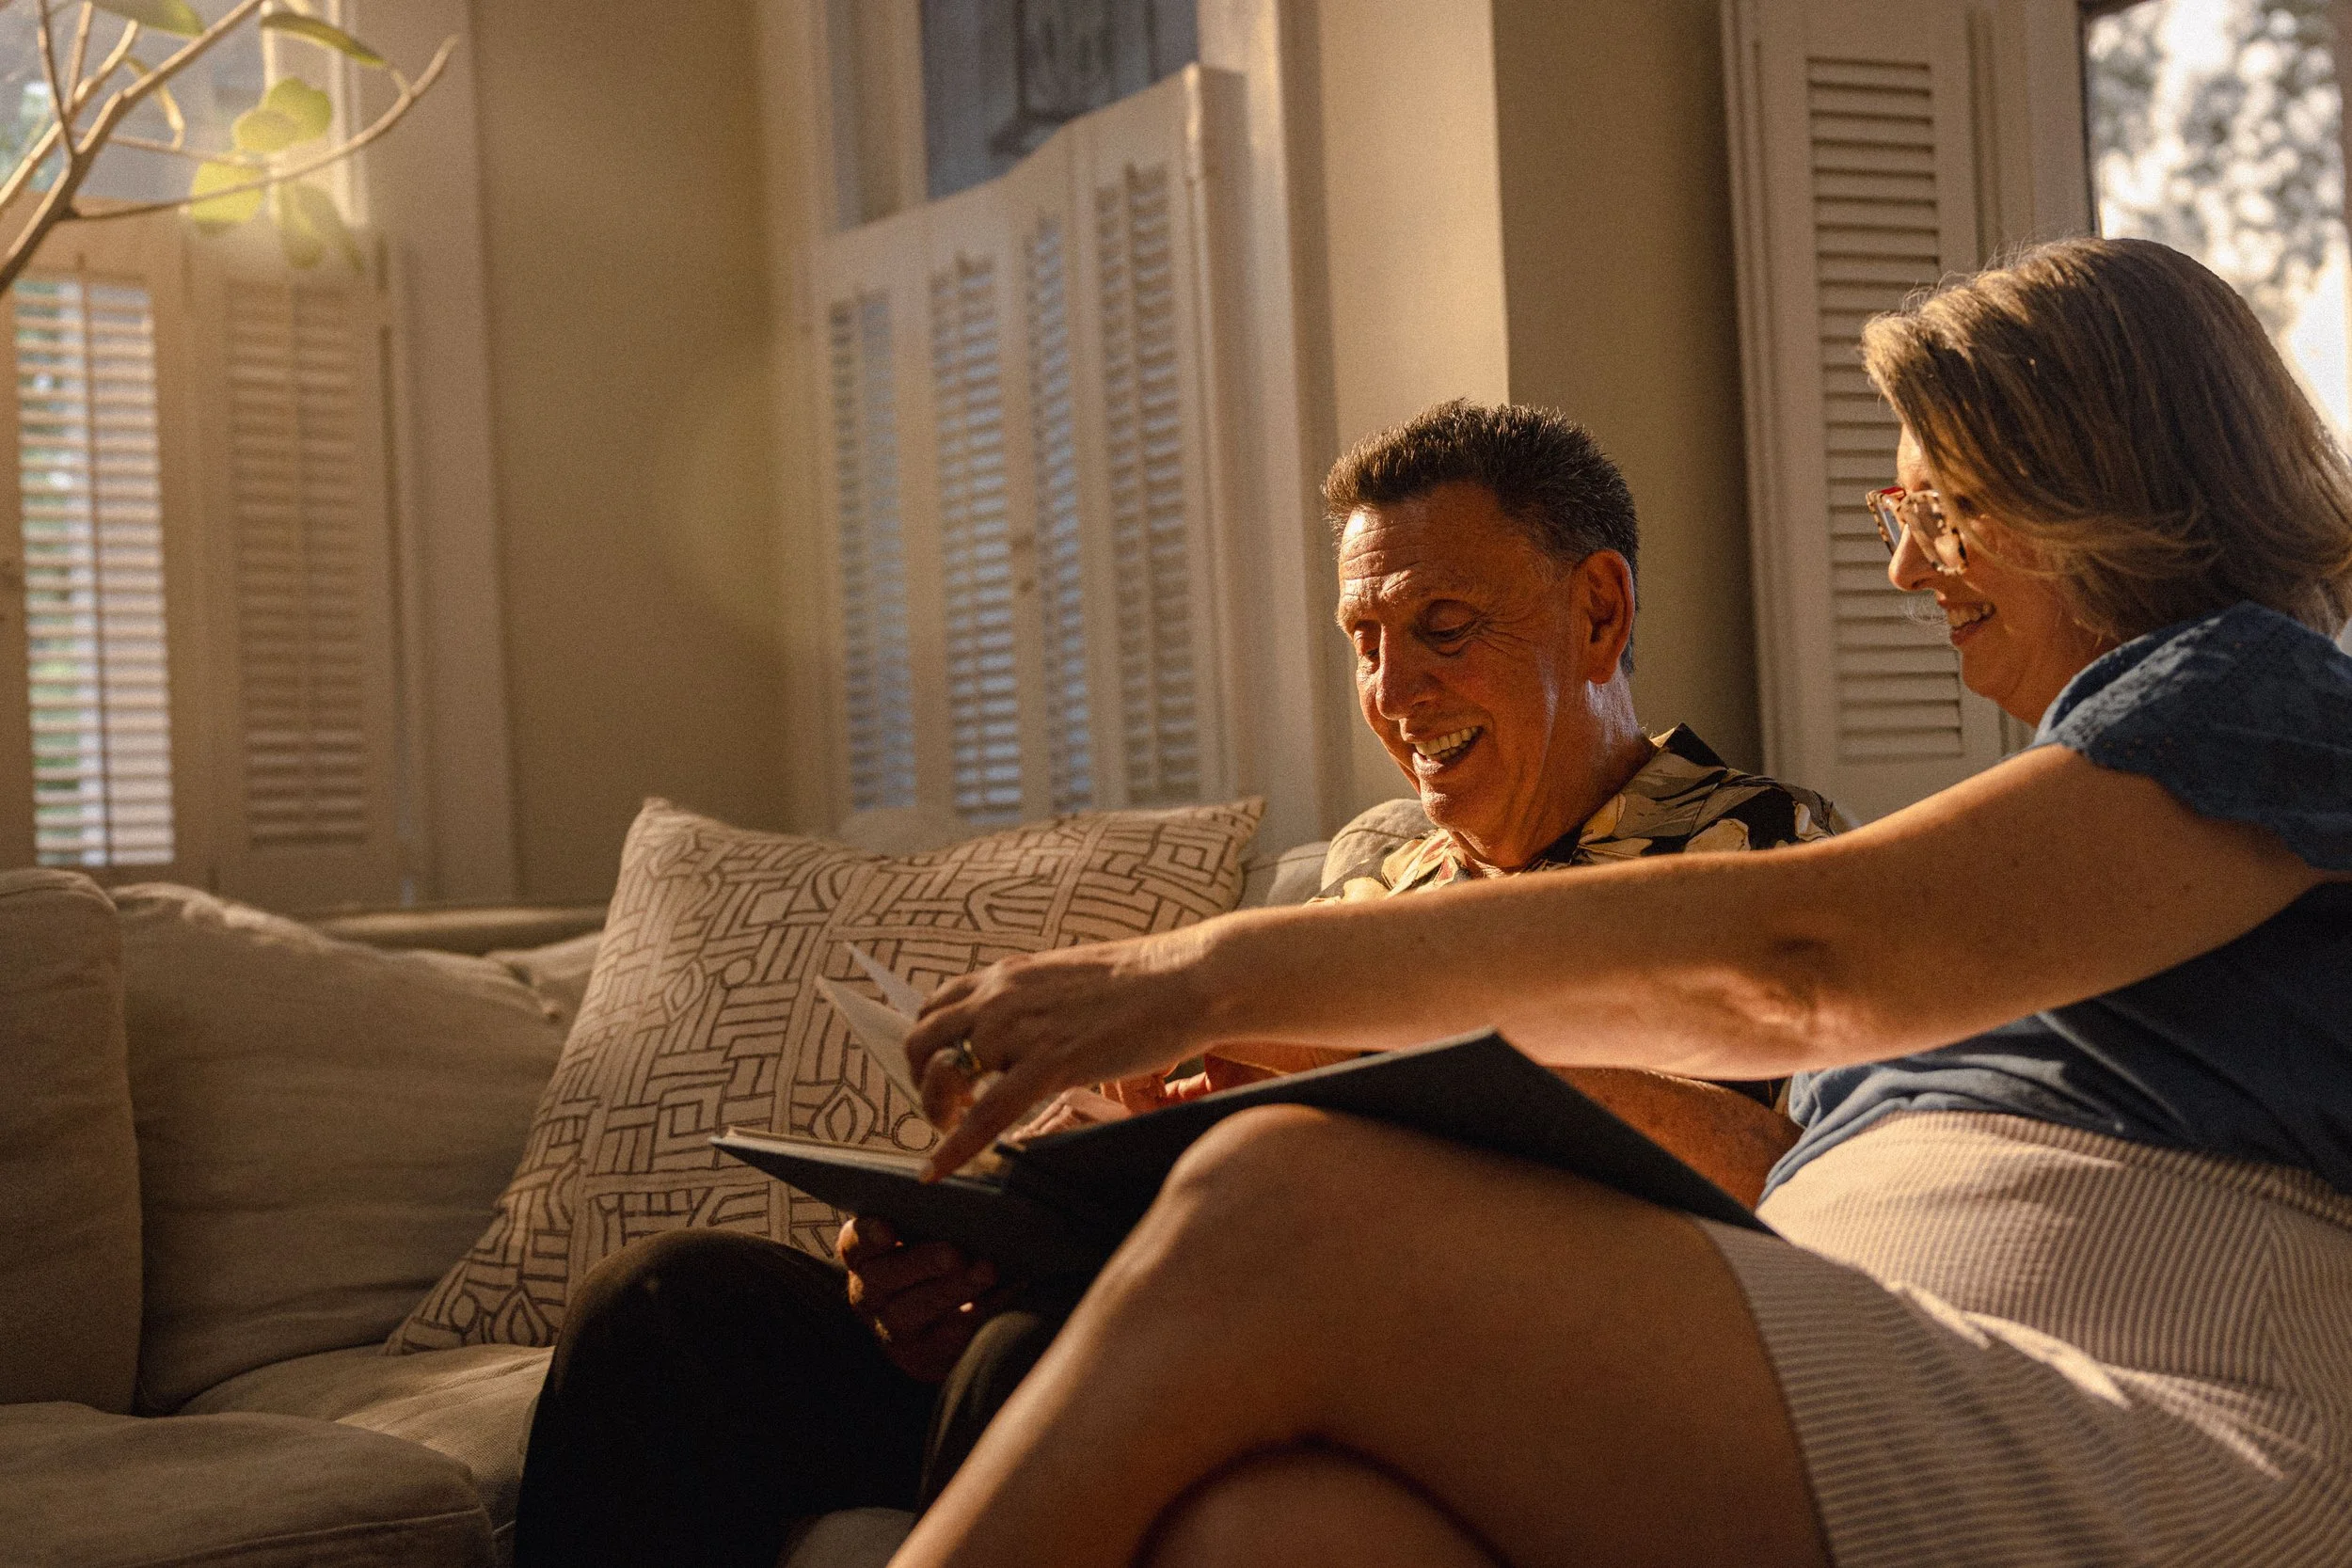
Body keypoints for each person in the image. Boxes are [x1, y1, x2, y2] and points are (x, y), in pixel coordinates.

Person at [887, 236, 2352, 1568]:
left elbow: (1799, 961)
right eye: (1896, 507)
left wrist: (1208, 973)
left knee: (1276, 1205)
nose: (1904, 563)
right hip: (1883, 1386)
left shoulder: (2269, 693)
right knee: (1277, 1528)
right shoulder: (2056, 842)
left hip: (2164, 1417)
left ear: (2090, 481)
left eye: (1943, 506)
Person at [510, 405, 1844, 1568]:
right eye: (1363, 639)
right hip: (1177, 1291)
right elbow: (1176, 1121)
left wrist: (1301, 1049)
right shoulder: (1378, 860)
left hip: (1420, 1366)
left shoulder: (1749, 848)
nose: (1392, 691)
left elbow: (1769, 1171)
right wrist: (983, 1234)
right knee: (666, 1310)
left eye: (1442, 628)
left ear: (1599, 610)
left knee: (1032, 1357)